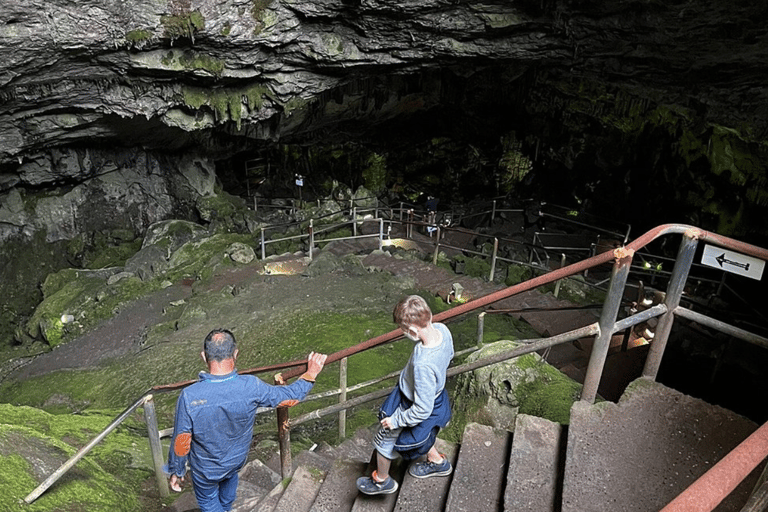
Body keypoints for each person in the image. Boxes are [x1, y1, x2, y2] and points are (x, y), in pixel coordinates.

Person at [164, 329, 327, 512]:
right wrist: (311, 373)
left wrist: (176, 471)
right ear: (235, 353)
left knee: (209, 501)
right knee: (229, 484)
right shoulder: (251, 386)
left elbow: (181, 441)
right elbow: (290, 398)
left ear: (203, 356)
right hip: (235, 461)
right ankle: (226, 507)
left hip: (206, 470)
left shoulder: (189, 396)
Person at [356, 295, 455, 495]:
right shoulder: (442, 329)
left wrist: (396, 420)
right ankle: (437, 461)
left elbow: (422, 409)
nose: (403, 333)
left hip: (411, 403)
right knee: (425, 432)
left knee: (383, 443)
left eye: (403, 329)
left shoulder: (423, 364)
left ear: (411, 330)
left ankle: (382, 481)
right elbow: (450, 354)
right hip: (435, 394)